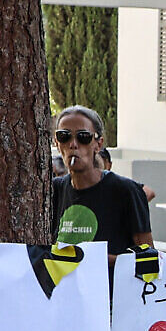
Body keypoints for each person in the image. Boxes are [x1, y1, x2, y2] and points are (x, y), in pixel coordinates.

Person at [50, 106, 152, 255]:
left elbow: (148, 257)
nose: (73, 144)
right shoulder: (55, 190)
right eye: (64, 136)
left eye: (83, 137)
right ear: (57, 144)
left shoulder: (125, 190)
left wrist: (99, 260)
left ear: (98, 144)